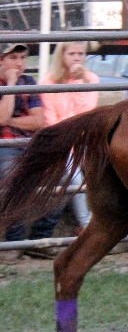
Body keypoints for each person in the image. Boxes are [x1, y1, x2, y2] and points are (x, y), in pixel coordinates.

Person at [0, 43, 62, 262]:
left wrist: (11, 120)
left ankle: (39, 240)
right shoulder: (19, 82)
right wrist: (12, 83)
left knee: (62, 174)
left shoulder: (30, 82)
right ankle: (13, 241)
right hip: (4, 146)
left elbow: (40, 121)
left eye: (22, 58)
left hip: (28, 144)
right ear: (1, 60)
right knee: (12, 176)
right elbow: (0, 118)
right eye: (13, 58)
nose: (20, 63)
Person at [39, 41, 100, 236]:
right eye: (72, 53)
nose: (77, 58)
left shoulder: (91, 79)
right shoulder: (49, 82)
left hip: (86, 139)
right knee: (74, 176)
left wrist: (81, 82)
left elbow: (87, 113)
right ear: (62, 56)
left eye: (81, 54)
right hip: (61, 143)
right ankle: (86, 224)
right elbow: (51, 122)